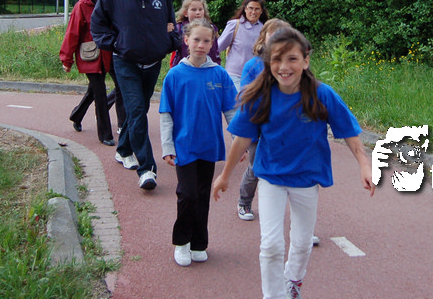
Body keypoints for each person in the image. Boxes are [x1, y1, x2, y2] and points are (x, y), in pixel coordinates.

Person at [213, 27, 375, 299]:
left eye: (292, 59)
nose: (284, 67)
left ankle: (293, 281)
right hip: (271, 177)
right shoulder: (260, 96)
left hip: (306, 179)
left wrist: (364, 164)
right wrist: (225, 175)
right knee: (271, 245)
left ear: (306, 61)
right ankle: (273, 295)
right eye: (277, 59)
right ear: (268, 62)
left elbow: (349, 132)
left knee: (301, 243)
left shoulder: (322, 95)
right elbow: (241, 140)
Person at [91, 0, 180, 190]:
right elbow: (97, 24)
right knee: (137, 110)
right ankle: (147, 169)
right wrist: (116, 44)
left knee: (139, 110)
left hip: (152, 62)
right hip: (125, 62)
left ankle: (123, 149)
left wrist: (168, 43)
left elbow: (170, 23)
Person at [160, 19, 237, 266]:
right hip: (184, 146)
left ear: (212, 43)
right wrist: (167, 146)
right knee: (187, 194)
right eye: (196, 40)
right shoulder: (175, 75)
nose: (201, 45)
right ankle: (181, 242)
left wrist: (238, 140)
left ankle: (199, 243)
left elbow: (231, 111)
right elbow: (166, 114)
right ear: (186, 41)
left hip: (209, 145)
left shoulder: (220, 74)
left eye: (206, 40)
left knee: (203, 195)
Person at [59, 0, 124, 146]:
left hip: (109, 54)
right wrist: (67, 60)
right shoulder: (82, 6)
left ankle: (77, 115)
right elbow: (72, 33)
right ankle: (105, 135)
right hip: (91, 56)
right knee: (100, 93)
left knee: (119, 86)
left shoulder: (110, 3)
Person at [236, 18, 291, 222]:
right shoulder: (253, 66)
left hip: (282, 128)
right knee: (256, 167)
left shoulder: (290, 65)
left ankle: (283, 211)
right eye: (273, 35)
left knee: (284, 168)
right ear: (263, 38)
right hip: (257, 127)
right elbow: (244, 97)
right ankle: (244, 202)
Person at [217, 0, 268, 90]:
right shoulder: (235, 25)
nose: (253, 12)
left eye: (257, 9)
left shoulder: (264, 29)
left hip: (256, 77)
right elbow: (218, 47)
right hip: (235, 76)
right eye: (250, 8)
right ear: (245, 9)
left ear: (261, 11)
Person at [170, 0, 221, 67]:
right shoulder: (179, 28)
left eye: (200, 9)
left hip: (207, 67)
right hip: (184, 67)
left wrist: (216, 67)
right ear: (185, 13)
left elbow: (215, 52)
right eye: (194, 10)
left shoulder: (210, 28)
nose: (198, 12)